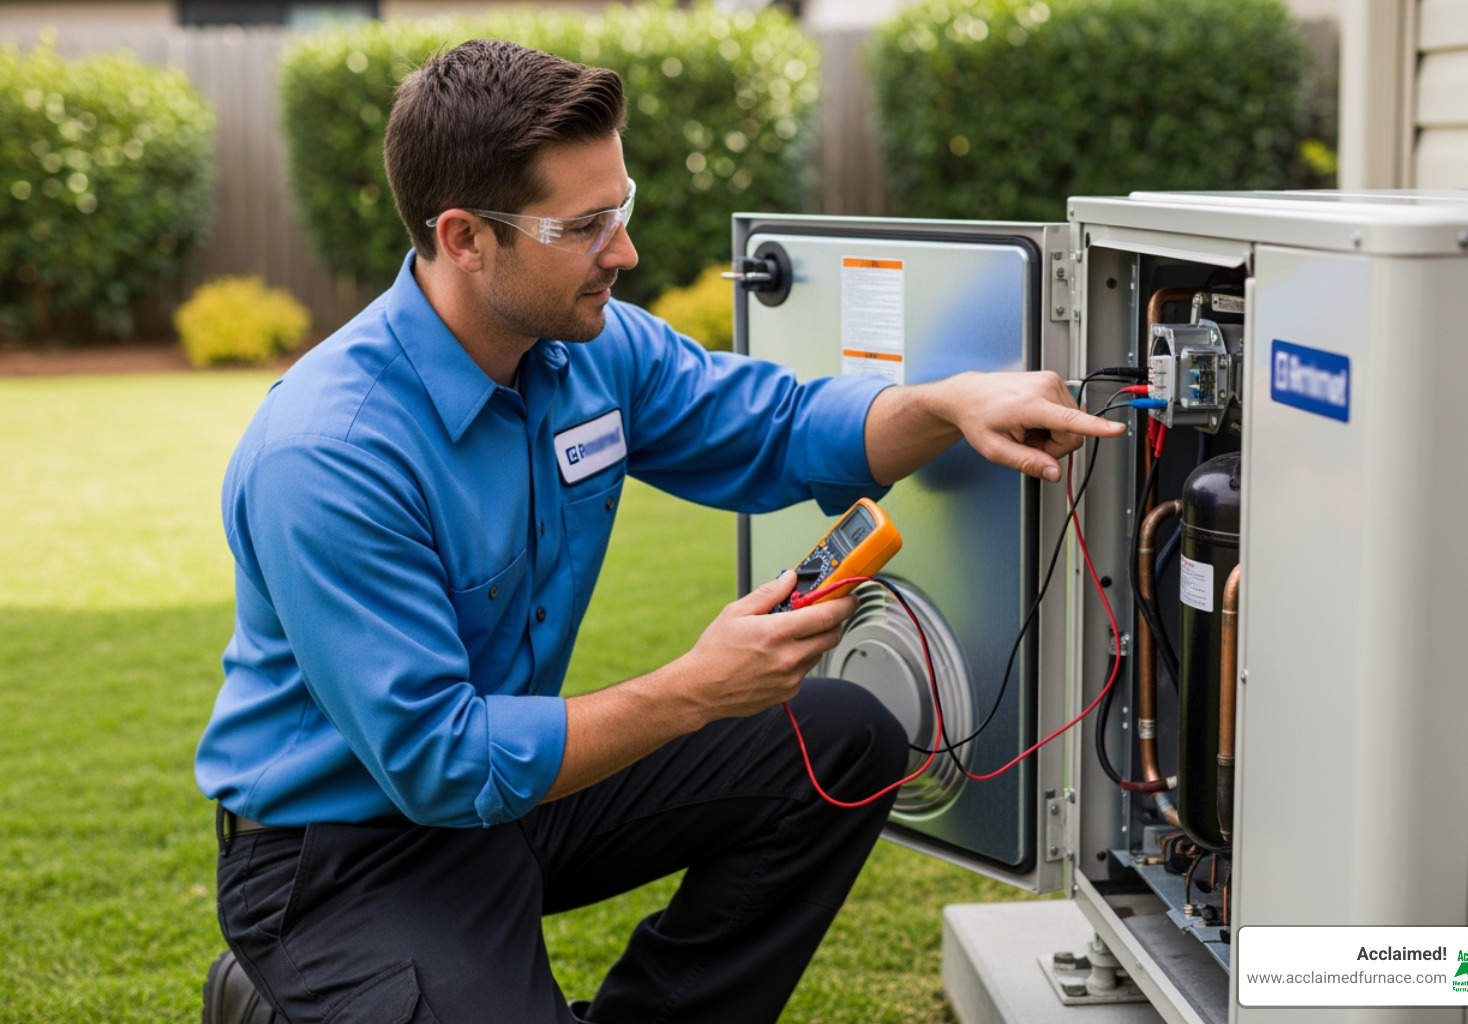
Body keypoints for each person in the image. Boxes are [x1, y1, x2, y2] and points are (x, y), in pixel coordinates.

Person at [195, 38, 1123, 1024]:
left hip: (518, 791)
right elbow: (439, 758)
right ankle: (265, 997)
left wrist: (944, 404)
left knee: (844, 740)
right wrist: (694, 689)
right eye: (586, 225)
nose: (625, 251)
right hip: (344, 845)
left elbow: (776, 426)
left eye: (621, 209)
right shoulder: (331, 453)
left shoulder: (590, 353)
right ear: (466, 237)